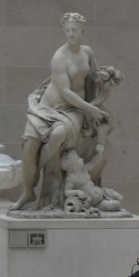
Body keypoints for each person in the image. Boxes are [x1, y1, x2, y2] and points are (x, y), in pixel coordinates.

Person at [15, 12, 108, 211]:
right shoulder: (59, 57)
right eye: (67, 30)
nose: (70, 33)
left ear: (82, 30)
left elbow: (93, 79)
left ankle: (38, 171)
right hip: (46, 108)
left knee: (58, 135)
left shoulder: (87, 52)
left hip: (73, 110)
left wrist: (105, 82)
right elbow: (65, 91)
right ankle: (27, 190)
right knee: (29, 147)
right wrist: (90, 108)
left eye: (74, 29)